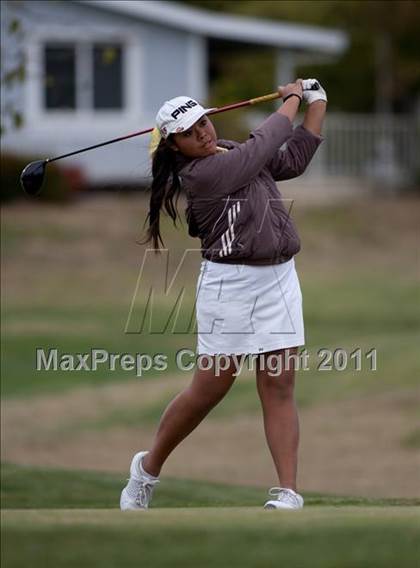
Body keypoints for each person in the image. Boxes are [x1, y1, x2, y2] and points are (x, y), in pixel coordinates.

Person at [120, 78, 327, 511]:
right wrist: (290, 100)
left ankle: (288, 492)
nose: (202, 132)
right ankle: (147, 468)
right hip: (228, 286)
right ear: (174, 146)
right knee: (210, 388)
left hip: (279, 280)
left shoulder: (229, 151)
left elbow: (290, 159)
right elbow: (263, 146)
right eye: (190, 132)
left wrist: (316, 101)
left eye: (203, 122)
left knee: (279, 382)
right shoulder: (201, 174)